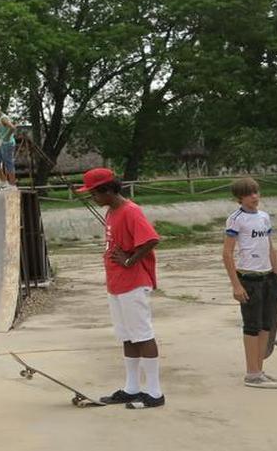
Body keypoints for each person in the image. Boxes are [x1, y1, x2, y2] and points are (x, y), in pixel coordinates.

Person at [76, 167, 165, 408]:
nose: (92, 198)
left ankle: (155, 393)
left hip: (133, 283)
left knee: (142, 334)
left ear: (107, 190)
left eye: (94, 193)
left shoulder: (131, 211)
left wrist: (130, 259)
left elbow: (151, 239)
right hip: (116, 283)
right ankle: (132, 387)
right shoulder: (112, 212)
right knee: (127, 336)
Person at [222, 177, 277, 389]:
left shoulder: (264, 217)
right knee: (252, 326)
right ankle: (252, 374)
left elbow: (270, 247)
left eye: (257, 192)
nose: (255, 197)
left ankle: (260, 370)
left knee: (266, 325)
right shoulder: (236, 219)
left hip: (267, 278)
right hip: (249, 279)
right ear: (240, 197)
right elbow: (227, 253)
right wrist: (236, 285)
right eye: (250, 194)